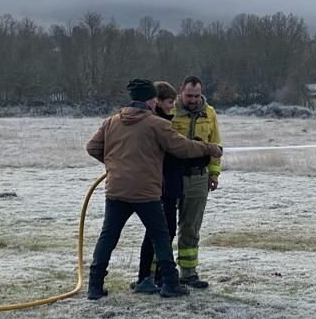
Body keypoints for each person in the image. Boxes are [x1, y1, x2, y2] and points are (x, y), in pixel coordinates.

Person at [85, 78, 222, 300]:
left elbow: (92, 147)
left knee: (108, 237)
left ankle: (94, 286)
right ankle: (170, 283)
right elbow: (183, 147)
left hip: (116, 190)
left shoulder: (111, 122)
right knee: (162, 234)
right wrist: (210, 149)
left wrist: (116, 166)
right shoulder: (156, 124)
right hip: (146, 192)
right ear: (151, 100)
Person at [132, 81, 185, 293]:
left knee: (162, 232)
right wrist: (197, 149)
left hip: (168, 185)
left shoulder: (161, 122)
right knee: (161, 232)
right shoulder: (157, 124)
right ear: (158, 102)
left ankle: (155, 277)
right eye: (170, 102)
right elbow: (173, 152)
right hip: (160, 187)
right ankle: (151, 278)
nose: (173, 106)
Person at [171, 75, 222, 288]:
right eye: (189, 95)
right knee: (164, 226)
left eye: (197, 95)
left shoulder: (209, 114)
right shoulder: (168, 112)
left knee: (191, 227)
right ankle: (156, 272)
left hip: (198, 178)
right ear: (180, 91)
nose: (193, 100)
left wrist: (214, 173)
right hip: (171, 176)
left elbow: (216, 145)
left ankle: (188, 273)